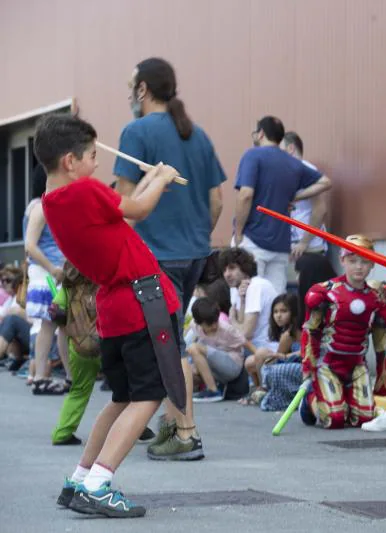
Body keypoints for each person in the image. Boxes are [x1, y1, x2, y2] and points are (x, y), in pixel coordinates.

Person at [35, 113, 183, 518]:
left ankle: (81, 478)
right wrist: (162, 179)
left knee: (122, 398)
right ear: (69, 161)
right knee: (150, 394)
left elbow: (127, 209)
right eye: (89, 157)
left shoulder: (52, 202)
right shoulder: (84, 191)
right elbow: (138, 209)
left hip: (116, 306)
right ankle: (100, 482)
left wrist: (155, 177)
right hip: (141, 301)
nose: (95, 164)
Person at [113, 57, 226, 461]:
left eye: (131, 86)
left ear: (142, 89)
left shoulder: (136, 131)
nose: (128, 94)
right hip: (195, 253)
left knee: (169, 346)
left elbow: (123, 202)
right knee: (172, 340)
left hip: (154, 256)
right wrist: (195, 235)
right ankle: (170, 423)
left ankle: (185, 433)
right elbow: (217, 201)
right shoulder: (197, 135)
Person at [298, 235, 386, 429]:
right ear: (342, 261)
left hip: (357, 364)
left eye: (365, 261)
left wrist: (383, 379)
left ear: (372, 264)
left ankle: (347, 401)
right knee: (334, 419)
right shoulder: (325, 292)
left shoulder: (376, 298)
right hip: (328, 364)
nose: (359, 266)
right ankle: (310, 402)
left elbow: (382, 340)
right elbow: (311, 331)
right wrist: (308, 367)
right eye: (352, 261)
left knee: (364, 419)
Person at [232, 117, 332, 294]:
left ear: (261, 133)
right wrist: (297, 195)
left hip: (253, 239)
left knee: (247, 295)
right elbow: (325, 182)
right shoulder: (293, 163)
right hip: (281, 245)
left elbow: (245, 195)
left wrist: (238, 232)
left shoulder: (252, 155)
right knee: (275, 299)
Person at [24, 164, 69, 395]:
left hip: (49, 273)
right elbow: (30, 245)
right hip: (48, 275)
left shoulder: (37, 205)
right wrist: (53, 268)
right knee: (49, 324)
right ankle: (41, 376)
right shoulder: (41, 206)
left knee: (58, 324)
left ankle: (62, 376)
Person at [50, 261, 102, 446]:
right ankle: (135, 427)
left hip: (79, 347)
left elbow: (55, 312)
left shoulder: (68, 289)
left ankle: (63, 432)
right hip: (108, 346)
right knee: (127, 391)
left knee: (79, 391)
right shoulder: (106, 284)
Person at [188, 297, 256, 403]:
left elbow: (246, 343)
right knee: (189, 367)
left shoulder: (226, 329)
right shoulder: (194, 326)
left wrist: (261, 357)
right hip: (216, 369)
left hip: (232, 366)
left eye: (215, 321)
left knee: (194, 347)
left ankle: (213, 390)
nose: (215, 325)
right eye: (210, 324)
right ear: (199, 323)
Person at [280, 131, 330, 256]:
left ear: (290, 148)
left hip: (309, 247)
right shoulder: (285, 172)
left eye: (279, 149)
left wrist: (304, 242)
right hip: (292, 245)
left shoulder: (307, 170)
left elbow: (320, 209)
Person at [219, 248, 278, 348]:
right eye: (224, 270)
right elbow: (240, 327)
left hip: (263, 347)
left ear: (245, 268)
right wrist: (242, 301)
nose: (227, 274)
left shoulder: (255, 285)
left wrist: (232, 319)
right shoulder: (235, 289)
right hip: (247, 346)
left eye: (232, 268)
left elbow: (245, 333)